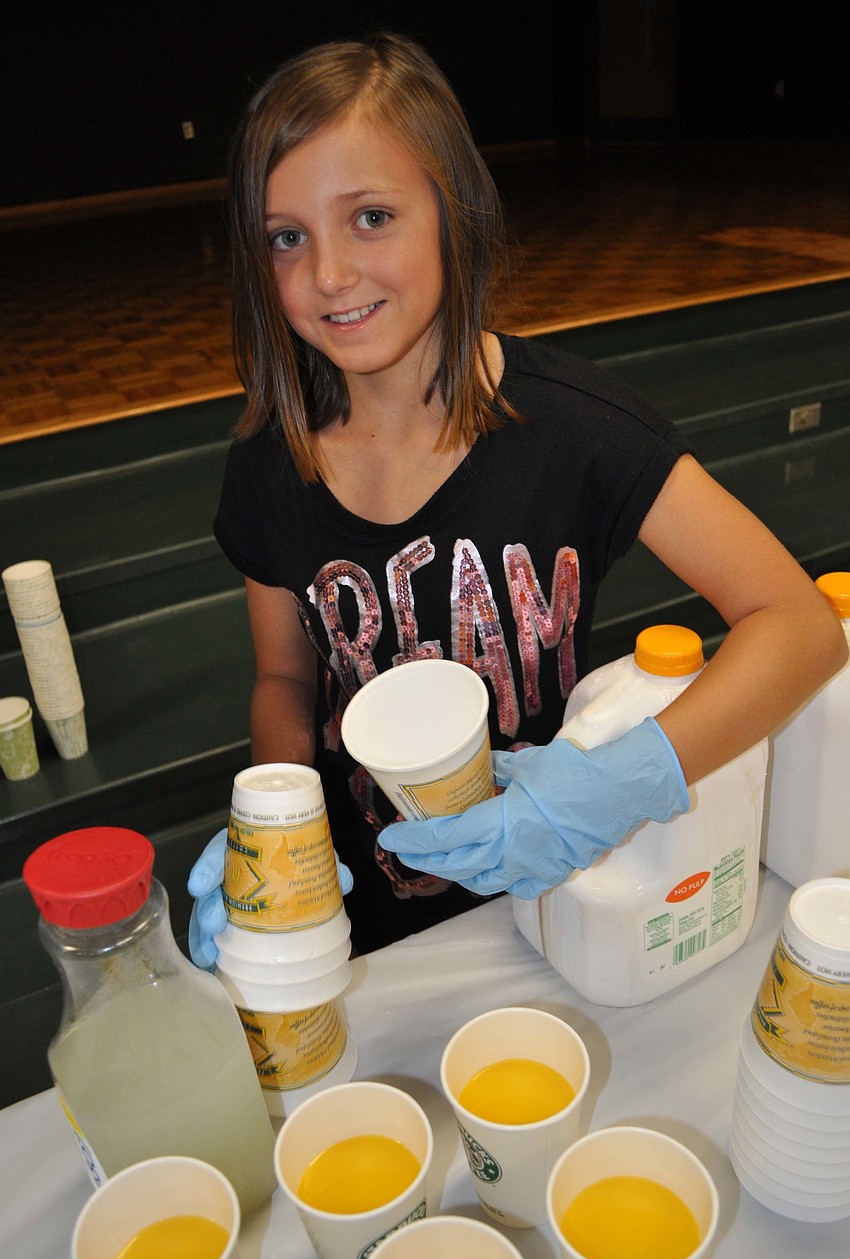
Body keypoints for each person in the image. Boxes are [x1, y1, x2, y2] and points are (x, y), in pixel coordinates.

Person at [188, 31, 846, 964]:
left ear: (452, 210)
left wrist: (618, 785)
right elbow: (286, 679)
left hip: (551, 906)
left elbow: (800, 623)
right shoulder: (267, 457)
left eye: (371, 216)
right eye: (286, 238)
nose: (328, 274)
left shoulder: (576, 429)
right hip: (361, 924)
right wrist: (278, 818)